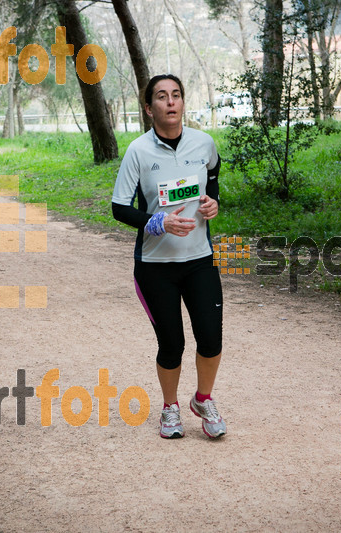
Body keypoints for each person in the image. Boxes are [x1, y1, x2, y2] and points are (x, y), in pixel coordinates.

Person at [111, 74, 226, 439]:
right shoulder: (138, 151)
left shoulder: (203, 143)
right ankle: (170, 407)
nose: (171, 102)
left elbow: (214, 175)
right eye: (162, 97)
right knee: (172, 343)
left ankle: (203, 399)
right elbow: (118, 208)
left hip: (199, 260)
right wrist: (156, 222)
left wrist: (213, 202)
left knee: (211, 339)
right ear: (149, 108)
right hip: (155, 267)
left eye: (176, 95)